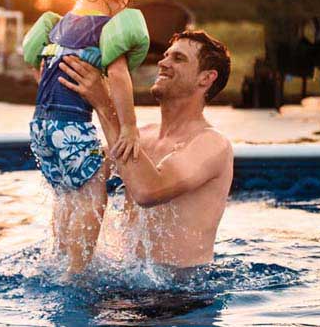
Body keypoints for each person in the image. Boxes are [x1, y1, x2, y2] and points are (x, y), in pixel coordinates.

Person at [22, 0, 150, 274]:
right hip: (72, 126)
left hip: (40, 126)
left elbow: (43, 72)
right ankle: (77, 273)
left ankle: (61, 258)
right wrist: (129, 128)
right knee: (94, 196)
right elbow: (119, 76)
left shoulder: (60, 25)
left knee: (67, 196)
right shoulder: (105, 28)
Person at [58, 30, 233, 268]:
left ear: (206, 78)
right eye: (166, 55)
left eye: (178, 59)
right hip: (131, 280)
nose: (163, 63)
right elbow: (86, 169)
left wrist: (104, 103)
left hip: (181, 296)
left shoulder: (212, 144)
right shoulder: (144, 135)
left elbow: (148, 191)